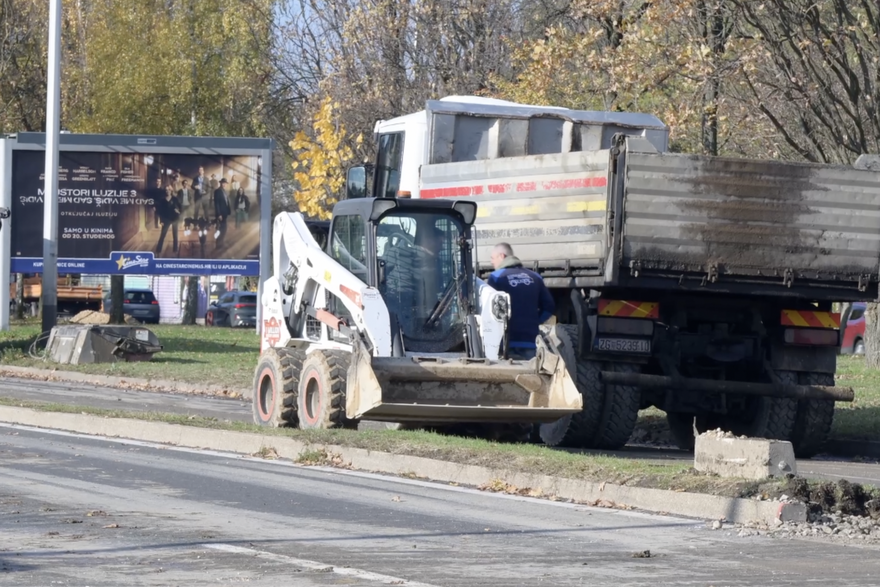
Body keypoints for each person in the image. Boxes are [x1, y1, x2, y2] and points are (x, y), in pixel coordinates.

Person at [487, 242, 555, 360]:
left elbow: (490, 310)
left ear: (502, 256)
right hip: (530, 341)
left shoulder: (496, 277)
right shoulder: (535, 277)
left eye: (493, 258)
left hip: (506, 343)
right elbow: (549, 307)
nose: (491, 262)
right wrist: (535, 321)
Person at [156, 186, 182, 254]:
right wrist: (161, 221)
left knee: (175, 235)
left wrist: (179, 212)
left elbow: (181, 207)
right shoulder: (162, 200)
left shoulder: (175, 199)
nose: (167, 191)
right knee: (162, 235)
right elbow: (160, 211)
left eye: (169, 190)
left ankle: (175, 250)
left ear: (171, 191)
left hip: (174, 218)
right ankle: (158, 250)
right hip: (166, 219)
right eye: (166, 190)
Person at [214, 177, 231, 248]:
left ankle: (221, 243)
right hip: (220, 214)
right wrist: (219, 214)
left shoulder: (224, 191)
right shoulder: (217, 191)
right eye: (223, 183)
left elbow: (226, 201)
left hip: (225, 213)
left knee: (223, 229)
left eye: (225, 183)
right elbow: (216, 203)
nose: (224, 184)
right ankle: (218, 244)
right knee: (220, 229)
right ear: (220, 183)